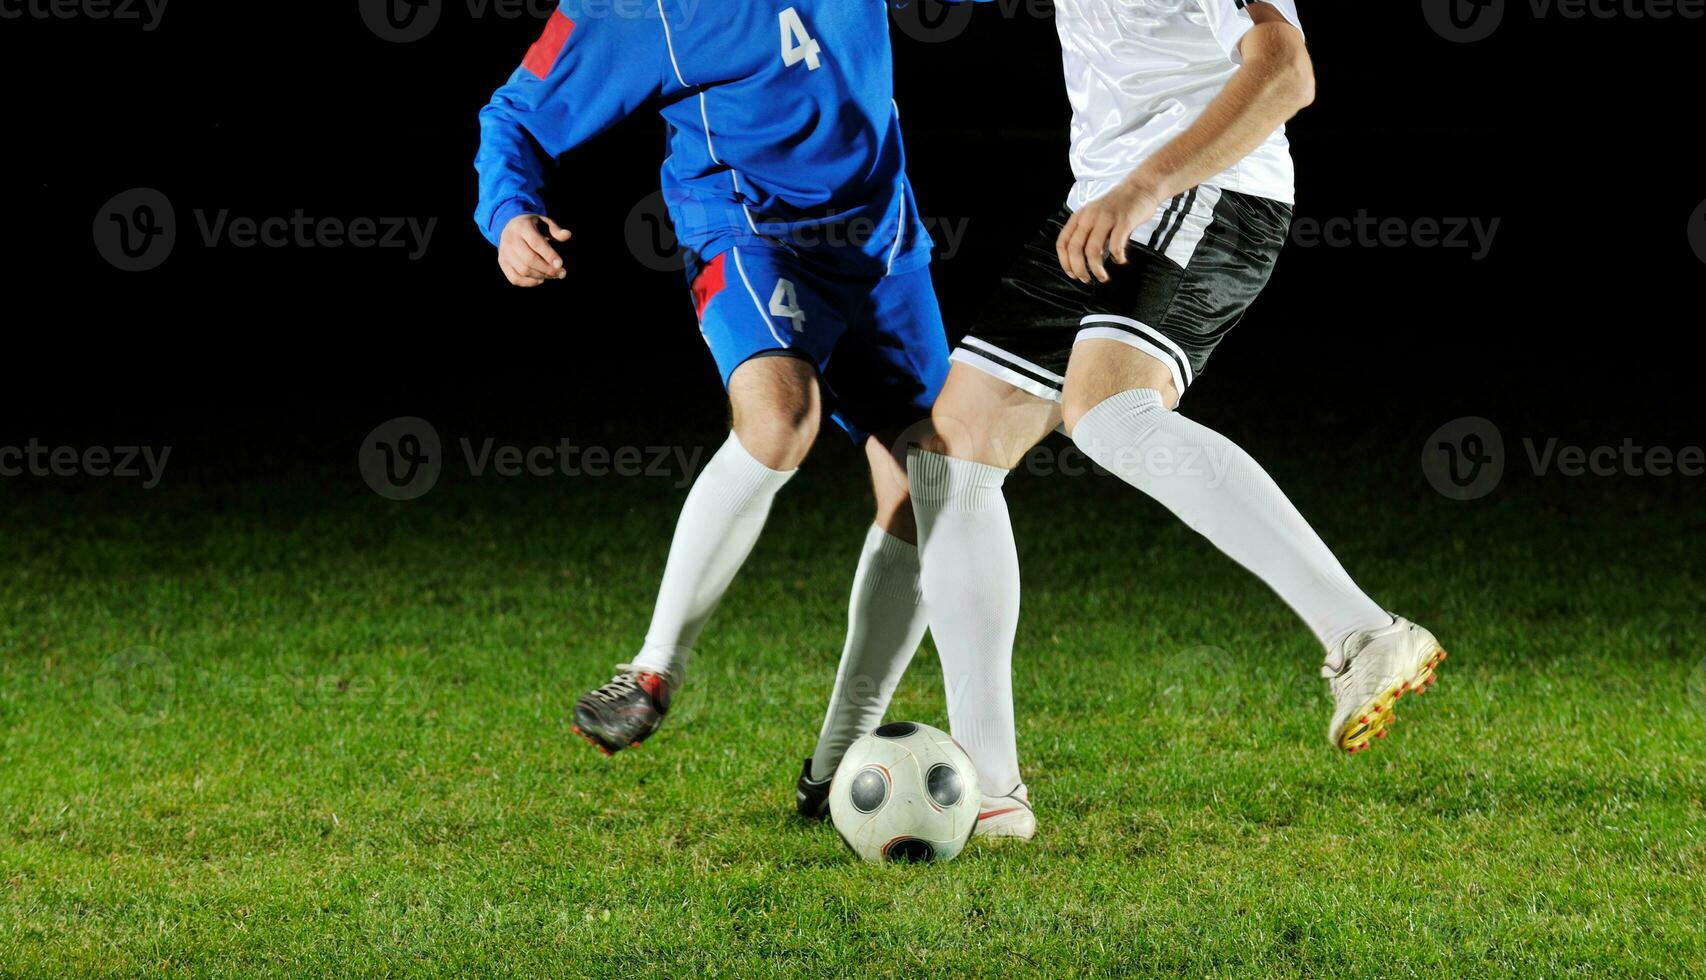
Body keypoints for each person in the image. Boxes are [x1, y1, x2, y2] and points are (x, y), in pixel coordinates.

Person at [812, 0, 1446, 839]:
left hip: (1203, 189)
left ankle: (1364, 632)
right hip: (1107, 202)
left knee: (1109, 415)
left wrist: (1150, 181)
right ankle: (993, 792)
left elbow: (1287, 70)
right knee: (951, 455)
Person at [474, 1, 947, 774]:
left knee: (929, 479)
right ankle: (653, 669)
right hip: (751, 234)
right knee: (781, 415)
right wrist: (510, 213)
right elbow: (516, 114)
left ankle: (835, 764)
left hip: (880, 239)